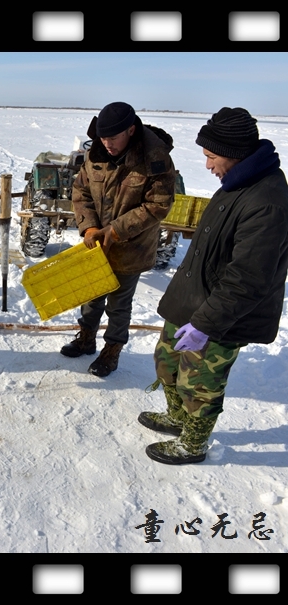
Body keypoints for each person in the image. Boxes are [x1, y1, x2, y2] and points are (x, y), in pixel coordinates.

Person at [140, 107, 288, 464]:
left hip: (223, 315)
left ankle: (193, 443)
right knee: (166, 362)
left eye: (211, 156)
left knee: (200, 384)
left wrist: (206, 324)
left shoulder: (267, 201)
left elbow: (248, 279)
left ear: (235, 154)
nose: (207, 165)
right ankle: (177, 418)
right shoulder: (237, 182)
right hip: (193, 301)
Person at [61, 102, 176, 377]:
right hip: (95, 245)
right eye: (103, 138)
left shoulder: (154, 157)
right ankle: (86, 339)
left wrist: (114, 231)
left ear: (131, 130)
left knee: (119, 304)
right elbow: (81, 192)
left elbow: (158, 204)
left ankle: (111, 351)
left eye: (113, 138)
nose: (107, 144)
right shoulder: (96, 154)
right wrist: (89, 229)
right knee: (90, 295)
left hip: (130, 248)